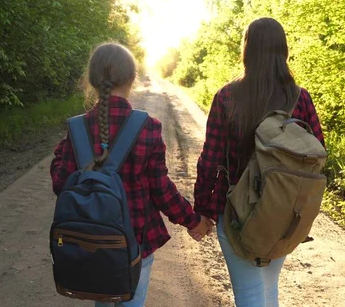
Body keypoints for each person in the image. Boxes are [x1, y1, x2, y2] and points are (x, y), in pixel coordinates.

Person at [50, 42, 213, 307]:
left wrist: (61, 156)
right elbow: (161, 191)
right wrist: (193, 221)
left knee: (102, 299)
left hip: (91, 238)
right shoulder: (147, 127)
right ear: (131, 79)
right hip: (136, 241)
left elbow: (61, 183)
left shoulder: (78, 127)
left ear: (91, 81)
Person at [190, 17, 326, 307]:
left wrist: (203, 211)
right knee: (267, 288)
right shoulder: (300, 98)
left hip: (237, 213)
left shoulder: (227, 96)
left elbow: (210, 160)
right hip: (284, 212)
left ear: (247, 50)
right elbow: (318, 152)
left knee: (251, 295)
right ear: (283, 50)